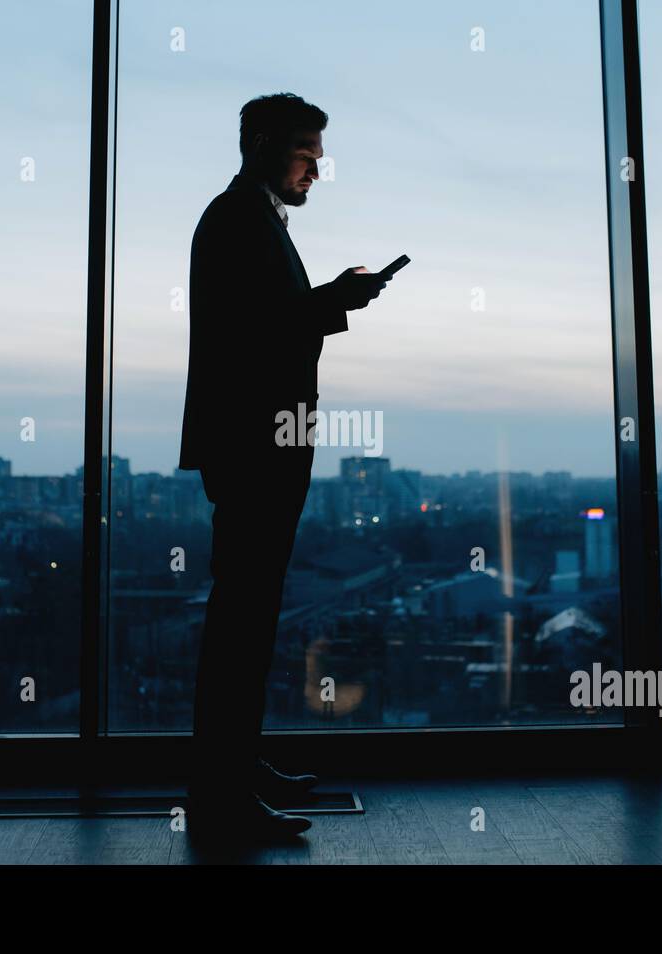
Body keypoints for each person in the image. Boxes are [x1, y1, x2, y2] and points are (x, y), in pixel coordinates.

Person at [178, 93, 389, 841]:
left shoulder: (250, 219)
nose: (317, 166)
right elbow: (255, 334)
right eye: (306, 149)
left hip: (263, 442)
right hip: (255, 446)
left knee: (249, 621)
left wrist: (327, 299)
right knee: (242, 624)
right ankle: (222, 797)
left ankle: (236, 771)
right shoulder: (238, 220)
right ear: (263, 143)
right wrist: (335, 298)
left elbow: (261, 327)